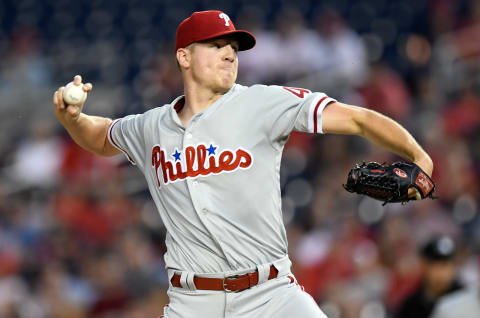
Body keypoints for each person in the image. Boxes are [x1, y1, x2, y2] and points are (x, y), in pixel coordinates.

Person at [52, 10, 433, 318]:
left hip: (271, 295)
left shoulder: (262, 103)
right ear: (184, 57)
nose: (229, 53)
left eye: (233, 46)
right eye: (216, 45)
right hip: (192, 303)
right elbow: (102, 137)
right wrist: (73, 120)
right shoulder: (152, 126)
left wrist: (420, 156)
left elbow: (358, 119)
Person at [395, 235, 464, 318]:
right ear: (424, 265)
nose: (439, 273)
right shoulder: (411, 305)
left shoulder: (466, 300)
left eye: (444, 265)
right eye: (434, 265)